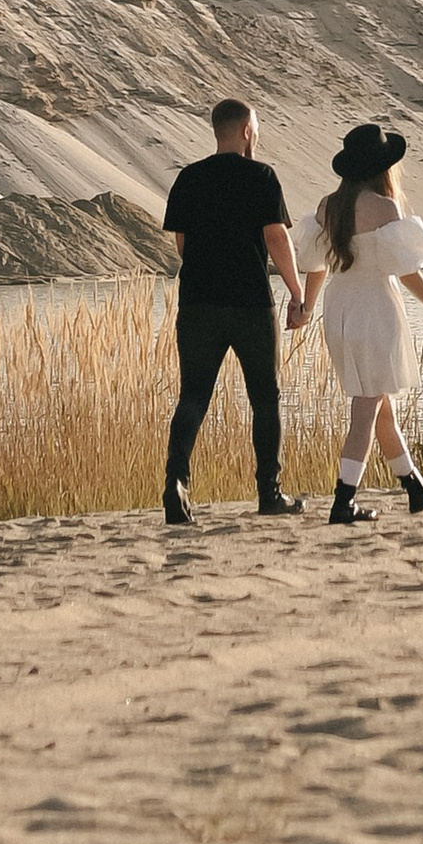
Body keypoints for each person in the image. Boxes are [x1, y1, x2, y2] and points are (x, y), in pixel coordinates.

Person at [289, 119, 423, 527]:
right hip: (375, 307)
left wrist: (307, 308)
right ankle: (343, 501)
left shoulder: (327, 207)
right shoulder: (385, 208)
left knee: (381, 408)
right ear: (381, 166)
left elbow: (314, 266)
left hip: (340, 307)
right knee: (365, 410)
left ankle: (416, 488)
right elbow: (406, 270)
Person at [161, 97, 306, 526]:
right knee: (265, 397)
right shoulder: (261, 176)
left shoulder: (189, 177)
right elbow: (276, 237)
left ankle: (176, 483)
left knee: (193, 396)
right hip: (249, 302)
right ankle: (269, 494)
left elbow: (182, 244)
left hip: (198, 302)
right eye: (256, 128)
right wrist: (297, 293)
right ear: (246, 131)